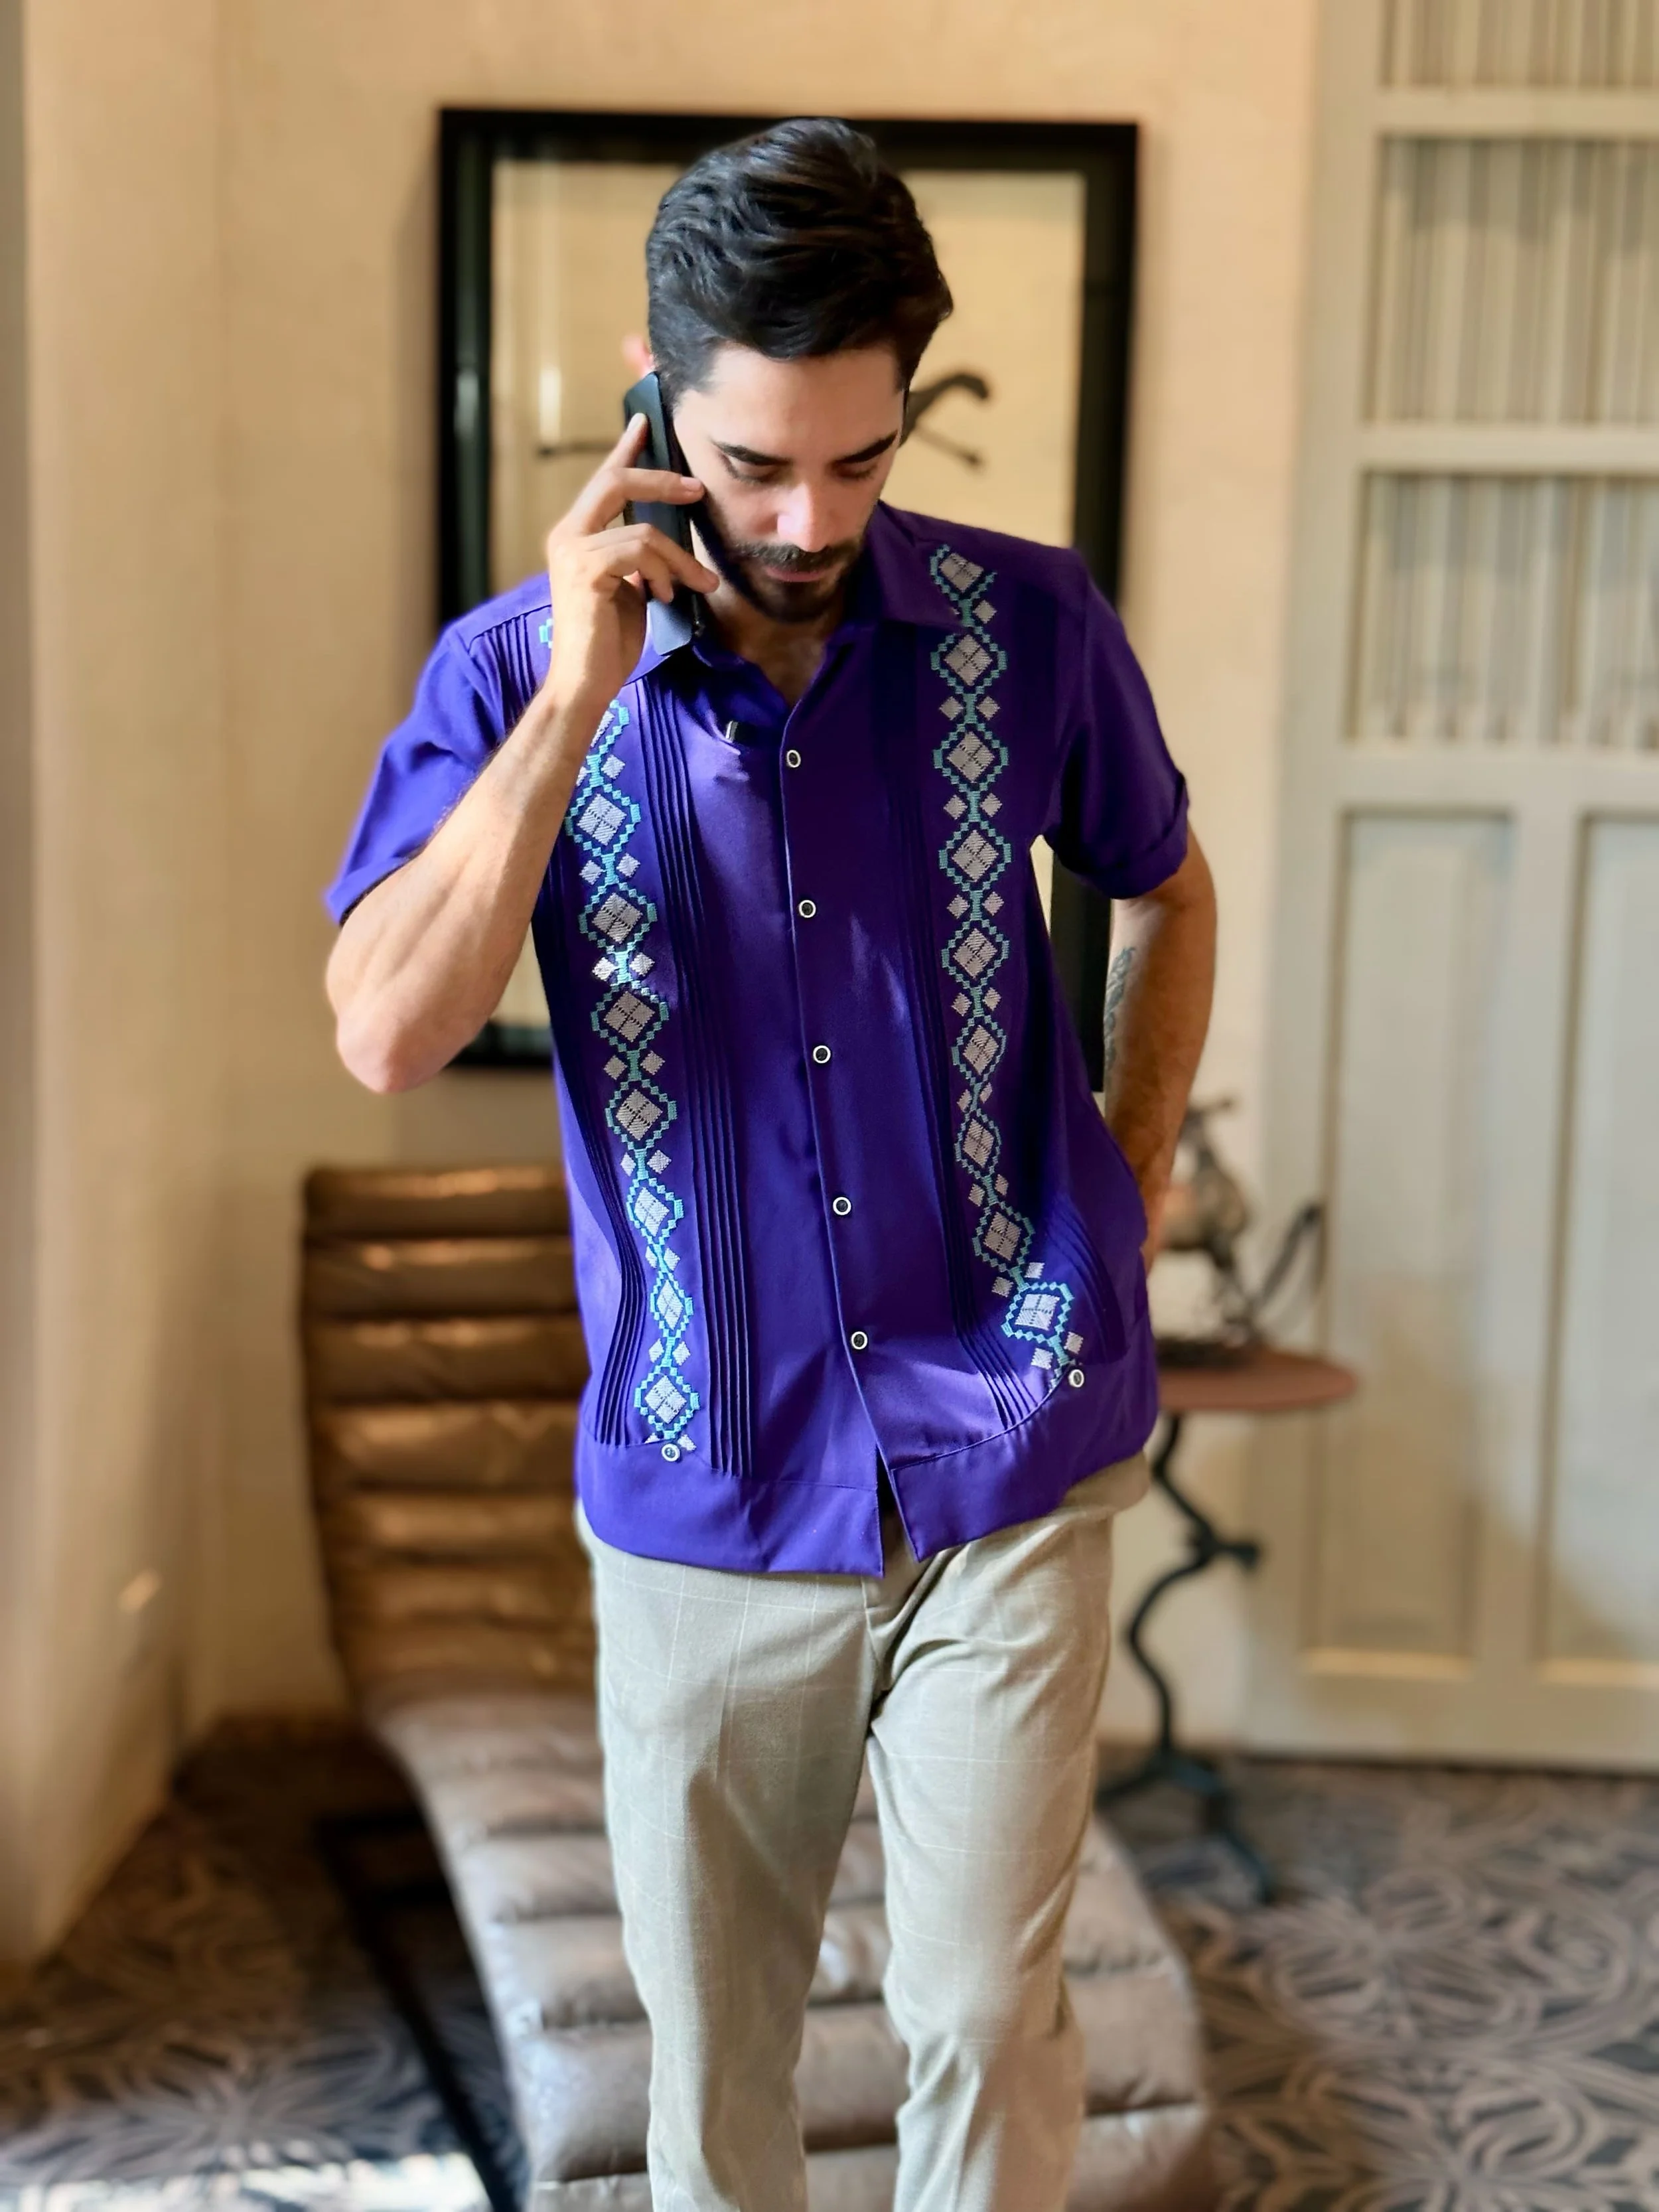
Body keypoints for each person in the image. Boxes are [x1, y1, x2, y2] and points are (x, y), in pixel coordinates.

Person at [325, 117, 1215, 2212]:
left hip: (1012, 1440)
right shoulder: (507, 674)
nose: (810, 518)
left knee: (980, 2010)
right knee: (718, 2068)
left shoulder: (1028, 622)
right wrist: (574, 700)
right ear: (653, 403)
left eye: (859, 457)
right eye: (752, 464)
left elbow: (1165, 885)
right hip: (707, 1482)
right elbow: (386, 1030)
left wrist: (1127, 1181)